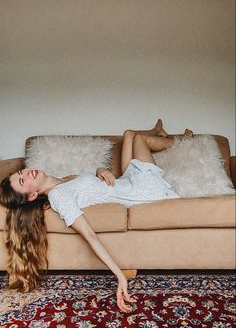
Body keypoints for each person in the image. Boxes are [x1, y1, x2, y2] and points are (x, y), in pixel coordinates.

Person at [0, 120, 193, 313]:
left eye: (20, 172)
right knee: (140, 139)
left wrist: (100, 171)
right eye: (23, 180)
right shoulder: (59, 196)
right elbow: (90, 236)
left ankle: (157, 132)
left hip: (125, 181)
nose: (27, 172)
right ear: (32, 195)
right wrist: (119, 275)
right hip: (143, 188)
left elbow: (86, 181)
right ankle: (184, 142)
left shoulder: (62, 180)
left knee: (128, 134)